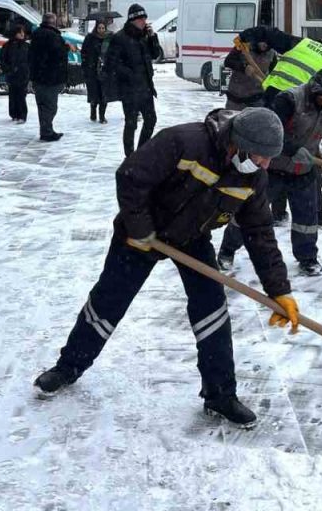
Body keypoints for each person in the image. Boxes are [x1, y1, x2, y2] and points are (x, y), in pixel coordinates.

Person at [33, 107, 298, 428]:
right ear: (238, 144)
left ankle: (220, 395)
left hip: (191, 237)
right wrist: (140, 227)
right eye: (260, 157)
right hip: (142, 233)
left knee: (212, 309)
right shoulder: (185, 142)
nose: (265, 165)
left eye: (269, 159)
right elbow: (130, 176)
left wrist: (279, 290)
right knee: (108, 301)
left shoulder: (252, 177)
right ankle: (68, 367)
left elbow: (260, 233)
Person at [217, 67, 322, 277]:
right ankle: (227, 251)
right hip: (273, 169)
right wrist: (292, 150)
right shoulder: (289, 100)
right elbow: (271, 133)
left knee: (306, 219)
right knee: (250, 213)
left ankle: (307, 258)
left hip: (304, 171)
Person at [103, 3, 164, 156]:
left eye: (145, 19)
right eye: (141, 19)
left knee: (151, 120)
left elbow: (155, 54)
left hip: (145, 87)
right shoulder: (120, 38)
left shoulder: (144, 36)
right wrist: (130, 74)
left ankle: (141, 152)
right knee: (131, 124)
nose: (144, 22)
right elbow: (111, 64)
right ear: (132, 20)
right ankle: (130, 156)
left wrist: (153, 37)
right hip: (129, 89)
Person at [29, 12, 70, 142]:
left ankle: (45, 129)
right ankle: (47, 131)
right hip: (50, 77)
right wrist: (66, 47)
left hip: (38, 76)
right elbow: (58, 55)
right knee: (50, 106)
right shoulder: (53, 36)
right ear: (53, 22)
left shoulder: (36, 34)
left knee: (42, 105)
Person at [222, 39, 278, 111]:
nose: (265, 45)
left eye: (268, 43)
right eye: (263, 41)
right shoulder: (244, 46)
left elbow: (274, 73)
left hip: (258, 98)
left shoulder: (272, 53)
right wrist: (243, 68)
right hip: (236, 97)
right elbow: (228, 61)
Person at [0, 23, 31, 124]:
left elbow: (30, 59)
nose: (22, 34)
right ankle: (14, 114)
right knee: (13, 94)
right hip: (12, 74)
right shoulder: (8, 46)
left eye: (23, 32)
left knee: (21, 95)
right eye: (20, 32)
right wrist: (8, 69)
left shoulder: (26, 46)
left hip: (23, 74)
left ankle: (22, 114)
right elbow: (2, 59)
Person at [81, 20, 110, 123]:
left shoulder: (108, 39)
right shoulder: (90, 38)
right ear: (96, 28)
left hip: (105, 71)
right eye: (99, 28)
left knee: (104, 95)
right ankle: (93, 112)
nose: (101, 30)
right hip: (92, 70)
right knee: (94, 94)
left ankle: (102, 116)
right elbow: (84, 52)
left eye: (103, 28)